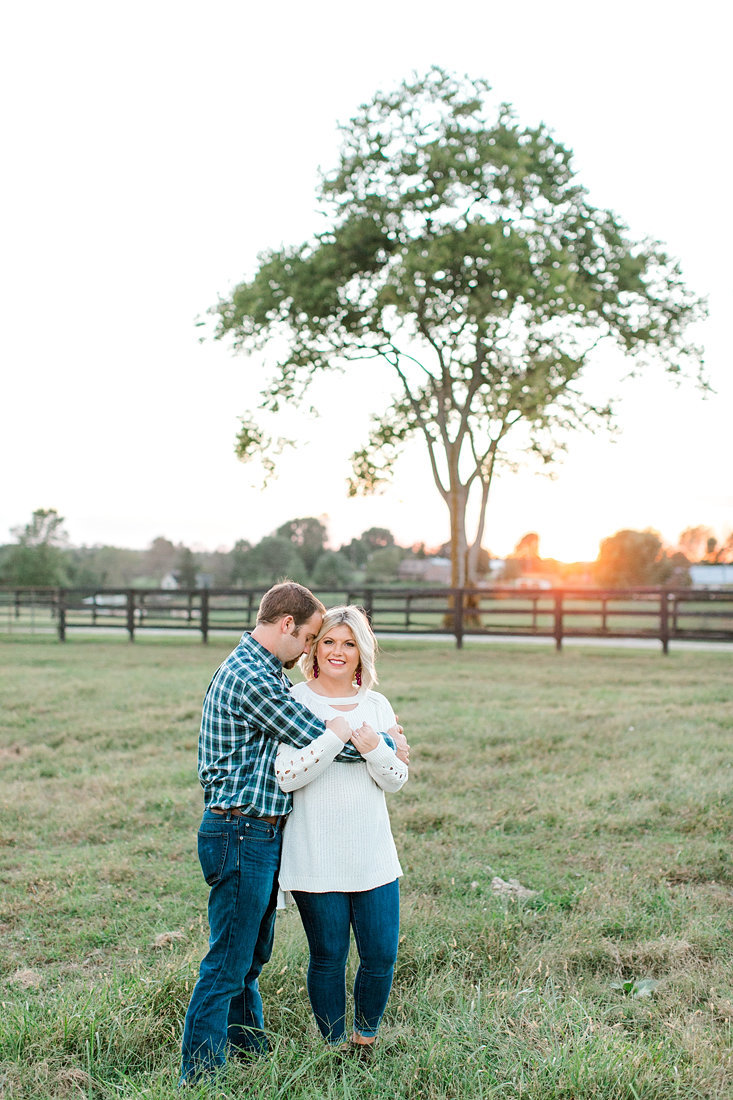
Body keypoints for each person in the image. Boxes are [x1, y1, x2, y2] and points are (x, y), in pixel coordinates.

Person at [179, 582, 408, 1084]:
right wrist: (383, 742)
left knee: (250, 953)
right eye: (311, 638)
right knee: (229, 959)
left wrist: (375, 741)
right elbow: (314, 735)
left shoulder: (261, 671)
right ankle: (199, 1074)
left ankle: (246, 1047)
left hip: (255, 831)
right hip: (241, 828)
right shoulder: (255, 678)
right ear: (287, 626)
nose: (312, 649)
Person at [275, 605, 408, 1055]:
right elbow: (287, 776)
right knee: (329, 958)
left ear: (361, 652)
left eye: (349, 643)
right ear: (313, 647)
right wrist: (334, 737)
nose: (338, 651)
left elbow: (396, 779)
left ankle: (364, 1039)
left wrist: (375, 749)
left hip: (372, 854)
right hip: (316, 854)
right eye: (329, 641)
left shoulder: (376, 704)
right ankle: (333, 1047)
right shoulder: (295, 700)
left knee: (380, 957)